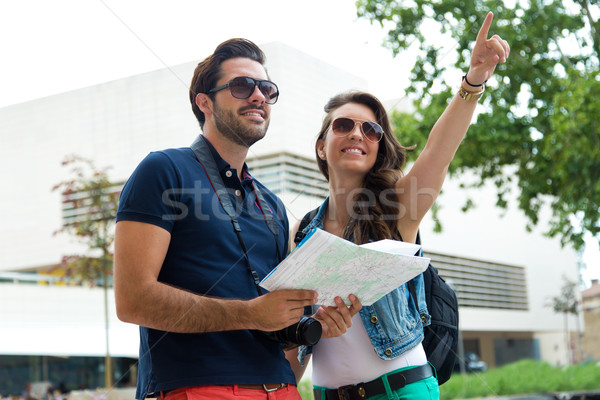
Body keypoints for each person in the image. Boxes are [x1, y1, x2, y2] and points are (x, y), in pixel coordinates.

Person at [113, 38, 361, 400]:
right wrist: (249, 314)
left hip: (282, 388)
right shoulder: (163, 170)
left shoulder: (272, 204)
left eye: (267, 89)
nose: (259, 96)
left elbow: (276, 321)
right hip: (195, 388)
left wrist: (316, 326)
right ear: (204, 102)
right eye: (243, 86)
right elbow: (132, 300)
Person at [289, 12, 510, 400]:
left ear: (377, 149)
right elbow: (292, 332)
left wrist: (474, 79)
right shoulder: (302, 232)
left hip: (401, 391)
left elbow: (440, 150)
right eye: (343, 125)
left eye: (370, 129)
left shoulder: (397, 208)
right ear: (322, 146)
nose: (357, 133)